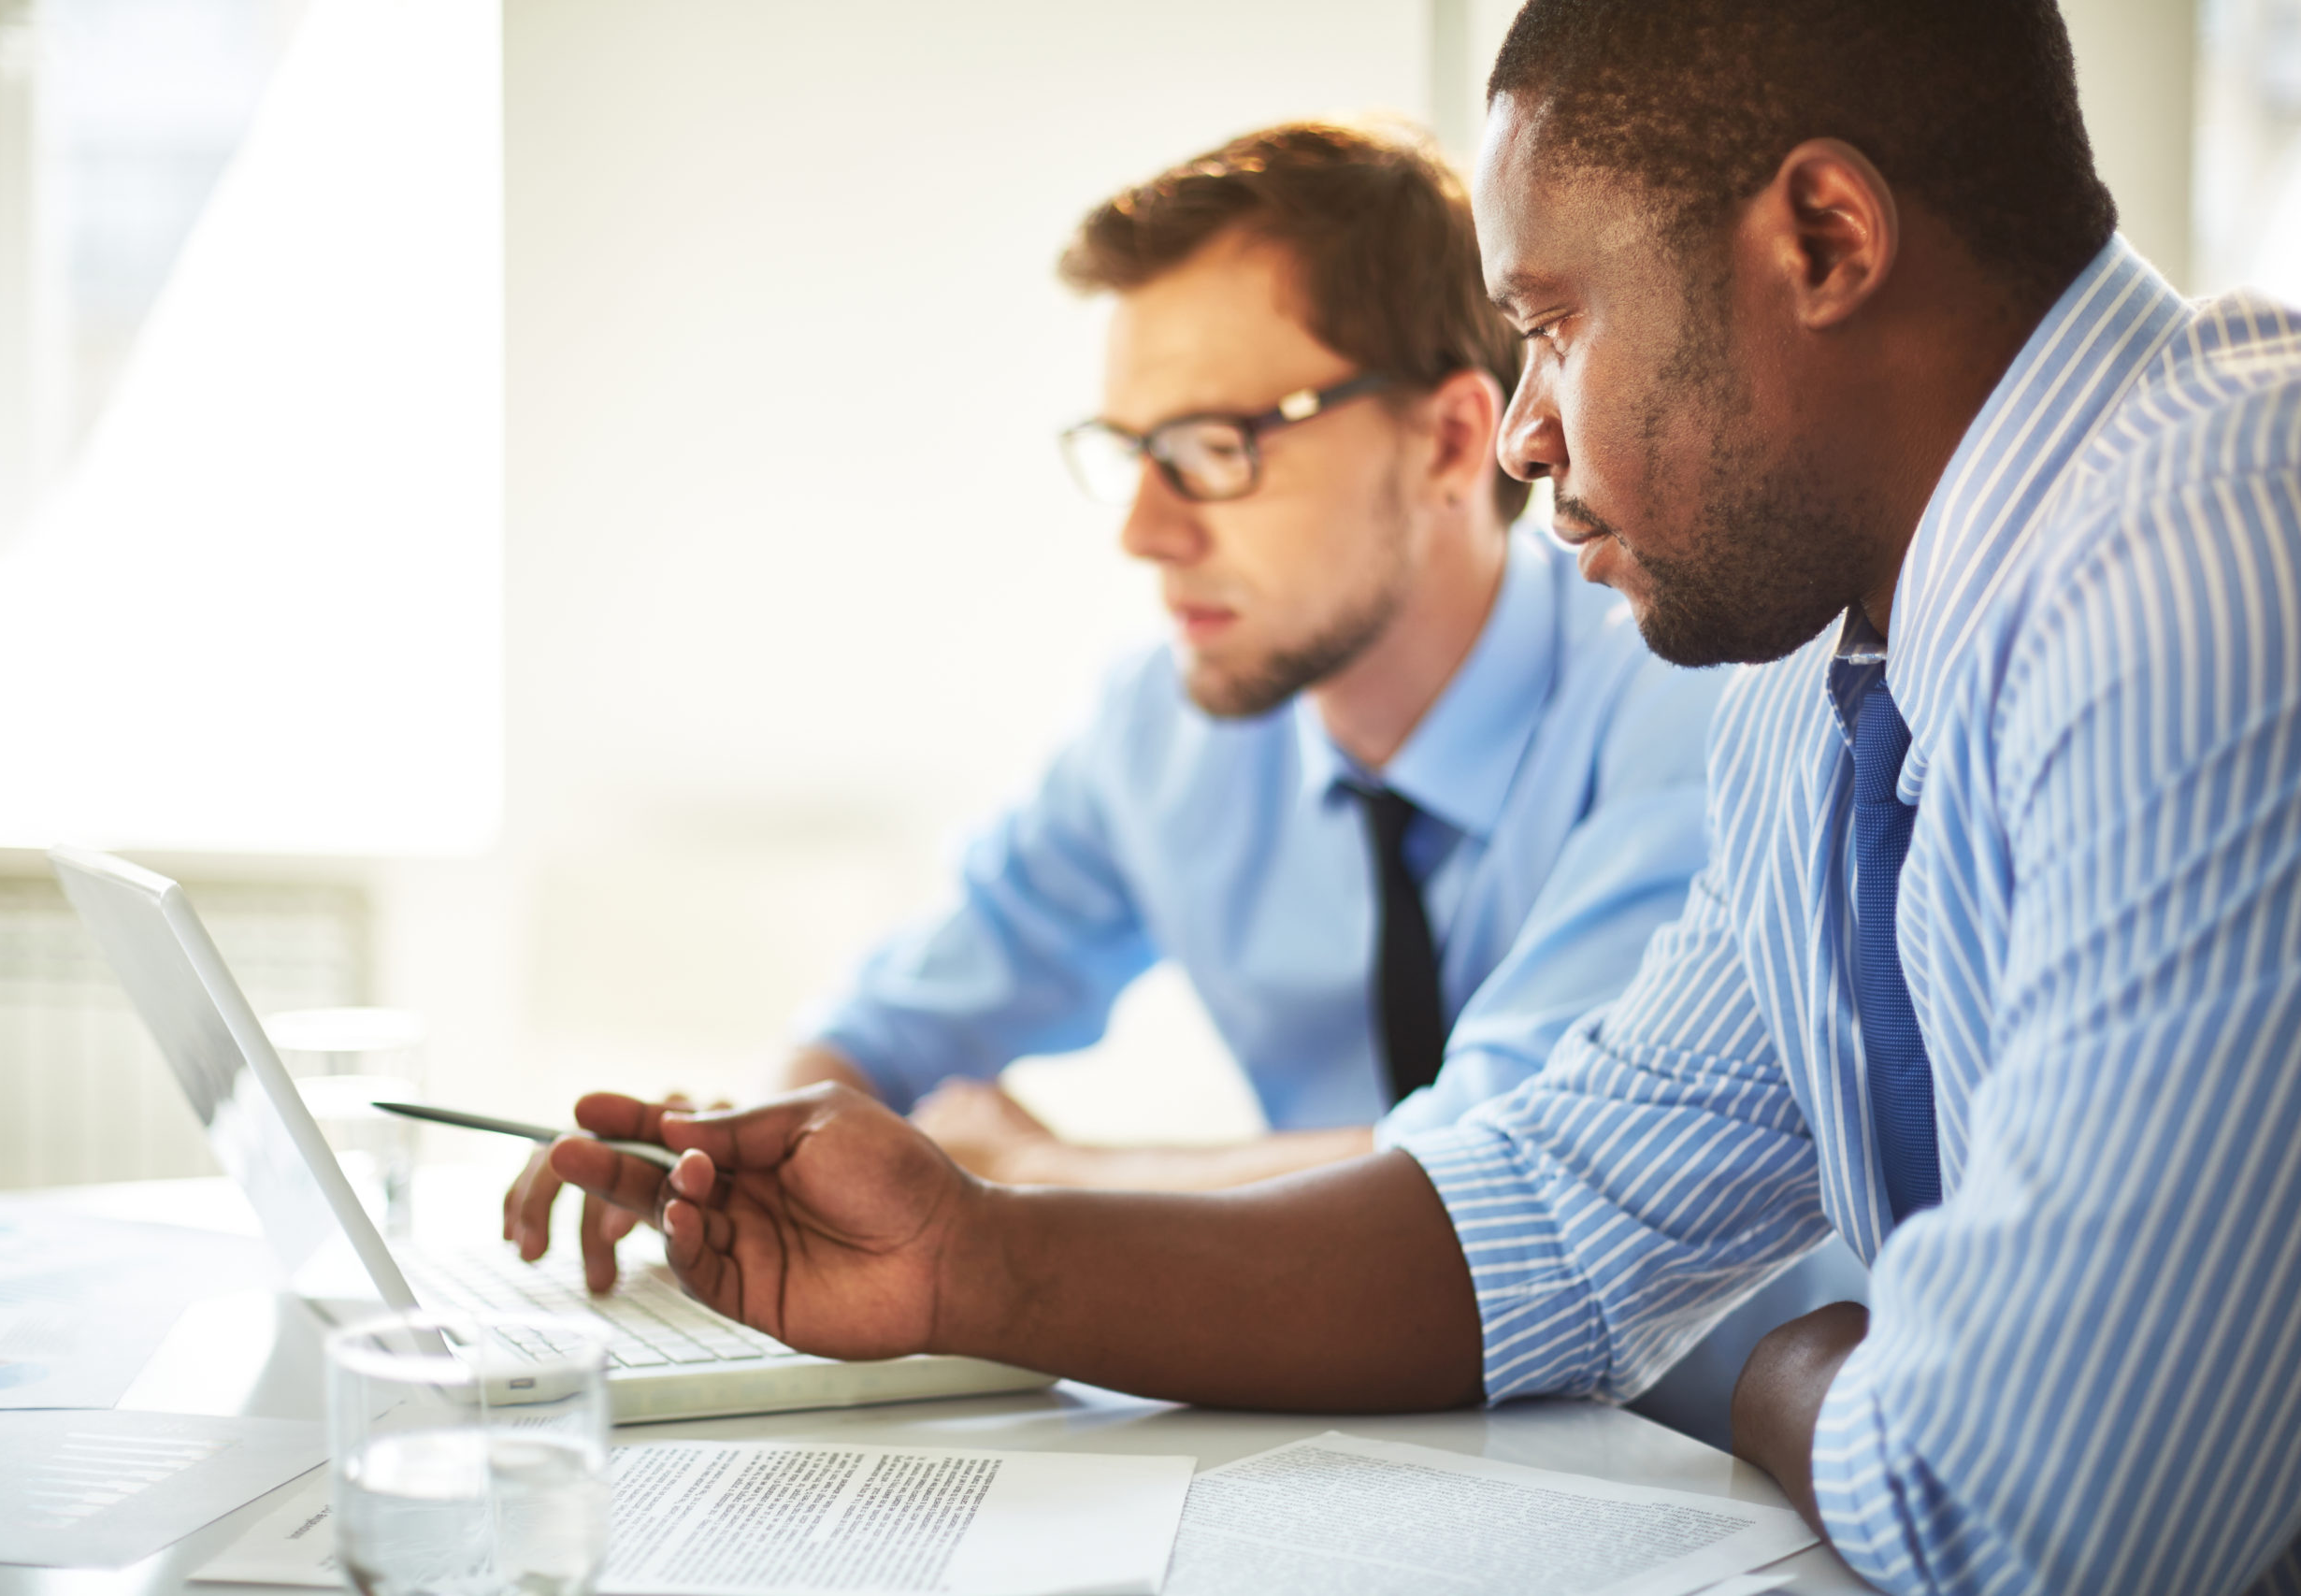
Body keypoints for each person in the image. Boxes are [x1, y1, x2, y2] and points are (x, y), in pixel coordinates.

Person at [548, 1, 2301, 1589]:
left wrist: (1792, 1371)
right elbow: (1564, 1203)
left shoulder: (2208, 558)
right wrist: (973, 1260)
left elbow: (2054, 1509)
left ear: (1825, 240)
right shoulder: (1819, 675)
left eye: (1554, 324)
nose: (1533, 431)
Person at [508, 121, 1727, 1264]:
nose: (1145, 531)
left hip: (1689, 1443)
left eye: (1212, 450)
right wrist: (730, 1153)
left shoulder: (1682, 706)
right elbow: (889, 1026)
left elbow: (1502, 1168)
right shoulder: (1167, 727)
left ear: (1453, 444)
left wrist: (1038, 1178)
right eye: (1133, 455)